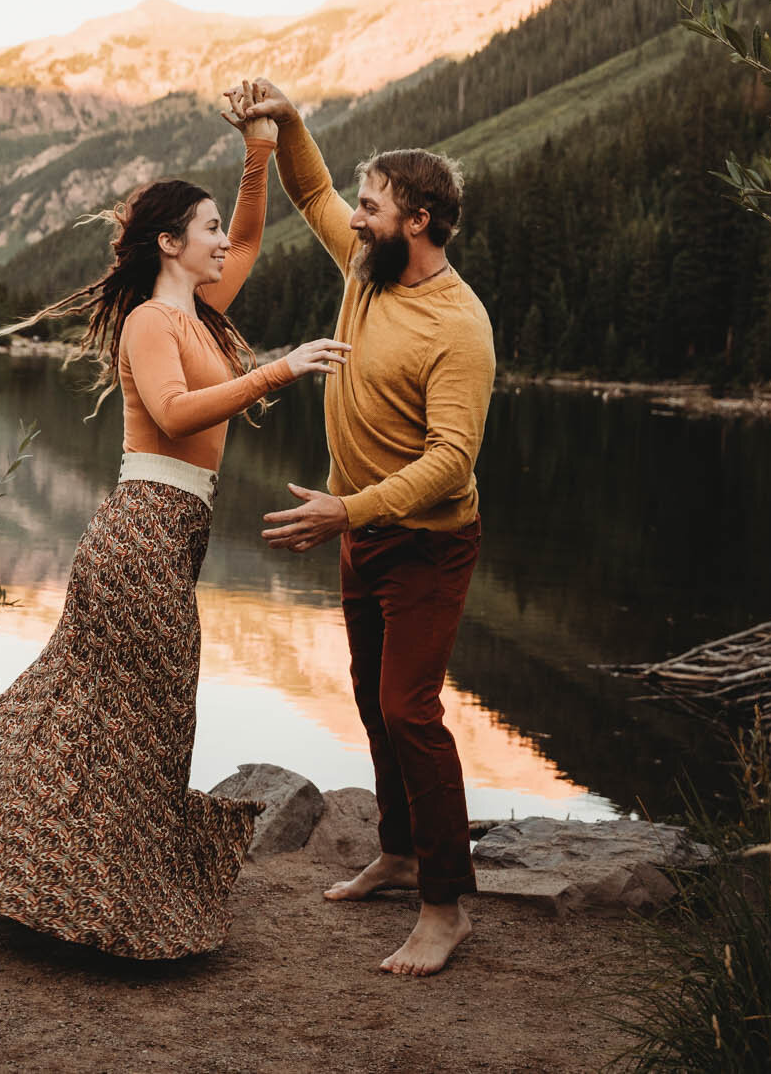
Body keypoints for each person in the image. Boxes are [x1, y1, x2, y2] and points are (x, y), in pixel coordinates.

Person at [0, 97, 350, 959]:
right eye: (205, 228)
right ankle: (114, 908)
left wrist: (259, 150)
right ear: (169, 243)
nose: (221, 239)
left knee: (114, 723)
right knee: (146, 724)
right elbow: (173, 407)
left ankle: (100, 896)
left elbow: (257, 239)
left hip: (167, 536)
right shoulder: (154, 323)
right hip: (138, 538)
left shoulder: (197, 312)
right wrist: (276, 372)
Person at [236, 76, 497, 978]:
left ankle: (446, 903)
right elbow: (311, 191)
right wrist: (291, 120)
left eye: (373, 206)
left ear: (417, 220)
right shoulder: (365, 267)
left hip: (426, 541)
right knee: (367, 696)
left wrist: (347, 507)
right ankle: (398, 851)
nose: (355, 218)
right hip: (363, 531)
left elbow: (451, 461)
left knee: (409, 709)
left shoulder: (459, 324)